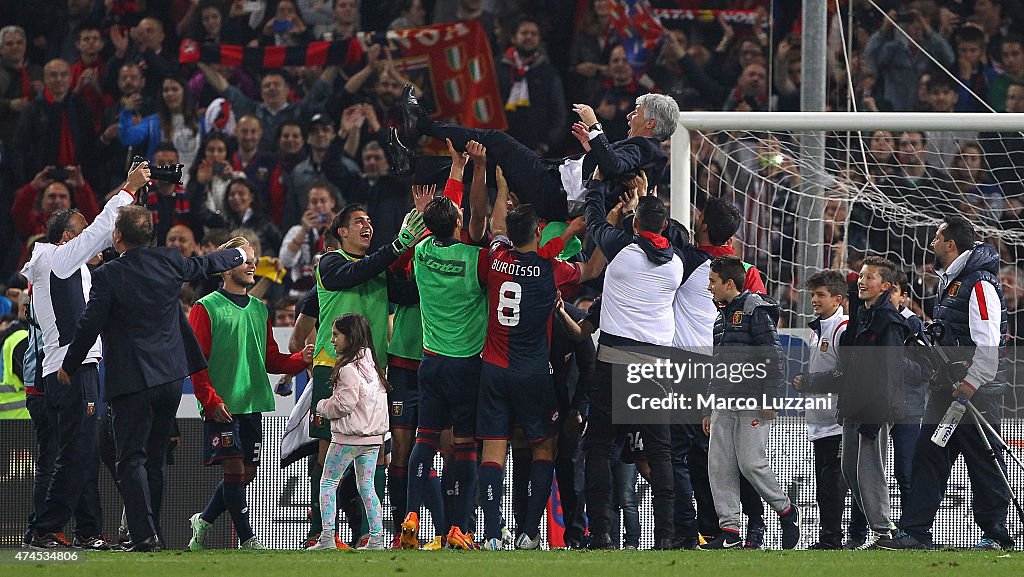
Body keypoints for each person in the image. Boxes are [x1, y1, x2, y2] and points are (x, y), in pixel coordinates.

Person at [57, 206, 252, 552]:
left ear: (117, 237)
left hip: (132, 380)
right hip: (170, 380)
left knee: (130, 459)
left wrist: (69, 365)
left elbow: (89, 325)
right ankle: (154, 534)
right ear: (149, 236)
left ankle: (143, 536)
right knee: (154, 458)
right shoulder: (170, 260)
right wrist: (238, 253)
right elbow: (205, 264)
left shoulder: (108, 275)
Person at [22, 162, 151, 551]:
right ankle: (45, 527)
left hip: (78, 370)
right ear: (65, 237)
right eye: (81, 234)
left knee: (79, 454)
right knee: (76, 454)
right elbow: (97, 233)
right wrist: (125, 191)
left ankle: (76, 530)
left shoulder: (75, 270)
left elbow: (106, 235)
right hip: (69, 371)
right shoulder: (51, 259)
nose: (97, 242)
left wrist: (130, 199)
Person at [476, 168, 605, 551]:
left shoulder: (495, 258)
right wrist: (604, 225)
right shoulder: (552, 270)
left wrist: (501, 188)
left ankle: (491, 535)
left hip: (492, 369)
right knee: (543, 447)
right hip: (532, 373)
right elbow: (593, 268)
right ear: (537, 233)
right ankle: (530, 533)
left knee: (494, 448)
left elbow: (497, 225)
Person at [877, 217, 1012, 551]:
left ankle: (996, 534)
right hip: (946, 389)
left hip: (974, 392)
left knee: (983, 462)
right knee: (928, 456)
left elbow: (988, 342)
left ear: (951, 244)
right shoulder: (952, 281)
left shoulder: (978, 283)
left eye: (937, 238)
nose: (932, 243)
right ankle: (916, 532)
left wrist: (971, 383)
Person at [306, 203, 426, 548]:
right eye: (359, 221)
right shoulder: (329, 263)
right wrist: (396, 247)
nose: (367, 225)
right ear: (341, 232)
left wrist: (428, 254)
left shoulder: (379, 267)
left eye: (370, 220)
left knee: (374, 450)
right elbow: (351, 275)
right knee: (327, 450)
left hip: (375, 372)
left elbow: (409, 296)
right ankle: (320, 531)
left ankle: (367, 534)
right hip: (333, 368)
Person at [186, 237, 313, 551]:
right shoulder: (205, 308)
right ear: (225, 268)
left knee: (246, 473)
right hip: (223, 406)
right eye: (244, 259)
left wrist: (301, 359)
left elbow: (270, 358)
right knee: (233, 469)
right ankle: (248, 540)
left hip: (252, 402)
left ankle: (202, 521)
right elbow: (196, 362)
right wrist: (210, 401)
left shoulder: (260, 309)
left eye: (253, 258)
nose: (252, 264)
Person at [581, 175, 683, 550]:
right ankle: (666, 537)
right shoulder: (676, 260)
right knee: (660, 451)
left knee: (599, 446)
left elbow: (593, 219)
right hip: (657, 366)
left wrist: (595, 186)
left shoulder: (621, 250)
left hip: (614, 360)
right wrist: (644, 202)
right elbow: (675, 234)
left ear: (635, 224)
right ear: (665, 227)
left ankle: (602, 535)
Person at [396, 86, 679, 221]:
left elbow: (614, 164)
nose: (630, 116)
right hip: (554, 185)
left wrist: (595, 127)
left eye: (637, 112)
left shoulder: (647, 149)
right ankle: (412, 164)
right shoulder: (648, 154)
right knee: (484, 166)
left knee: (495, 139)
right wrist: (591, 150)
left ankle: (421, 124)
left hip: (554, 190)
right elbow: (613, 167)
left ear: (651, 123)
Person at [796, 255, 908, 549]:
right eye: (860, 275)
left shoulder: (888, 321)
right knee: (850, 471)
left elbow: (891, 373)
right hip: (852, 407)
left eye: (869, 277)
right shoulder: (862, 316)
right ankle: (879, 528)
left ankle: (884, 533)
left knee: (870, 472)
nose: (862, 280)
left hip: (873, 407)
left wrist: (880, 412)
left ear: (885, 286)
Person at [698, 256, 800, 550]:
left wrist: (771, 397)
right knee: (719, 466)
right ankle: (729, 531)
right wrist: (709, 407)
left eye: (713, 282)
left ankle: (786, 510)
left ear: (729, 284)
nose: (709, 288)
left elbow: (774, 356)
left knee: (750, 463)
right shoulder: (722, 317)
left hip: (754, 400)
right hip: (724, 403)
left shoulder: (756, 310)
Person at [308, 314, 391, 550]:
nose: (332, 340)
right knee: (367, 487)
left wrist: (322, 406)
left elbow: (344, 403)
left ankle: (326, 537)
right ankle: (376, 538)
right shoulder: (373, 365)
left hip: (348, 438)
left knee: (327, 483)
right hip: (373, 439)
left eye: (336, 334)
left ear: (350, 336)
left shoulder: (347, 369)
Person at [794, 270, 848, 550]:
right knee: (826, 486)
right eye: (813, 294)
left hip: (838, 423)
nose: (814, 299)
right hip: (820, 422)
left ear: (837, 299)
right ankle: (832, 538)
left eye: (820, 295)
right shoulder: (819, 329)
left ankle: (836, 539)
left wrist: (810, 381)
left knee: (834, 485)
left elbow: (849, 374)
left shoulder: (842, 329)